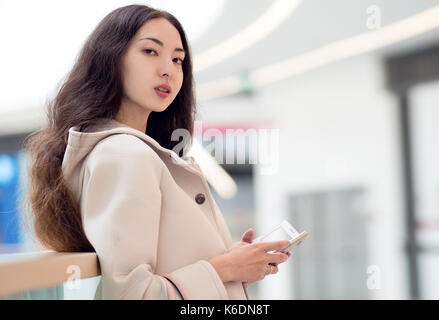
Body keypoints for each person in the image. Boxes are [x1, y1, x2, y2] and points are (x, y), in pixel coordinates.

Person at [24, 4, 290, 300]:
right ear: (110, 59)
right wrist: (225, 269)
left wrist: (234, 264)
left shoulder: (134, 152)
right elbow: (130, 294)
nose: (169, 69)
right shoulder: (125, 154)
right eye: (150, 51)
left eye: (178, 59)